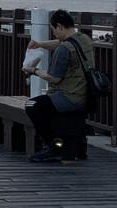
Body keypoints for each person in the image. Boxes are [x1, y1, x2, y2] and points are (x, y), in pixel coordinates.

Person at [22, 9, 94, 163]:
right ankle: (72, 146)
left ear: (60, 26)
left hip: (69, 96)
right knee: (46, 103)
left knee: (32, 105)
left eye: (54, 29)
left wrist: (33, 70)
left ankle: (54, 147)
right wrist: (40, 44)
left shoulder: (63, 50)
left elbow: (53, 78)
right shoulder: (83, 39)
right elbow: (60, 42)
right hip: (86, 94)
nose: (53, 33)